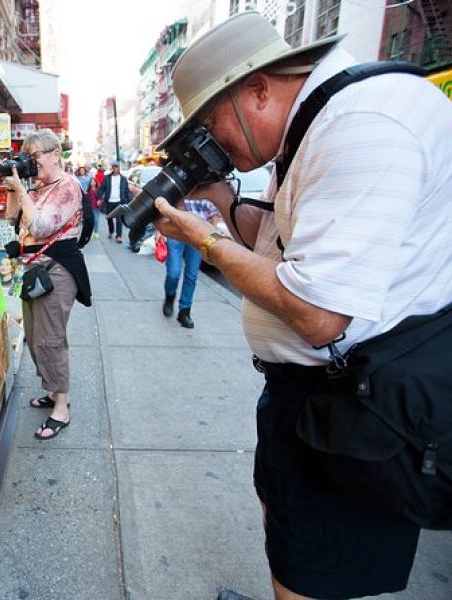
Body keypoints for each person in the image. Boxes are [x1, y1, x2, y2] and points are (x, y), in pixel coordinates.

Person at [152, 12, 452, 600]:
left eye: (211, 125)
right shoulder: (319, 123)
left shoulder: (361, 126)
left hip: (351, 408)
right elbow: (275, 248)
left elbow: (319, 313)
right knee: (292, 544)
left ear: (257, 90)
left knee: (317, 569)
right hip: (311, 399)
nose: (213, 145)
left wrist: (203, 239)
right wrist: (218, 201)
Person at [3, 128, 92, 440]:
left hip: (57, 271)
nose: (31, 162)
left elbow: (40, 227)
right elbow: (9, 216)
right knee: (35, 335)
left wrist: (24, 192)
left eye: (36, 155)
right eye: (28, 156)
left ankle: (62, 407)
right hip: (34, 271)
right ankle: (53, 391)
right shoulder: (39, 187)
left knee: (51, 339)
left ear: (56, 154)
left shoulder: (68, 187)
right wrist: (16, 189)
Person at [160, 199, 220, 328]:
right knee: (173, 272)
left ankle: (184, 311)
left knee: (191, 275)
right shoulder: (182, 184)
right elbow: (165, 207)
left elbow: (214, 212)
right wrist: (159, 231)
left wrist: (213, 234)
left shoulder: (206, 187)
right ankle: (170, 296)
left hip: (198, 236)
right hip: (176, 233)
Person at [98, 162, 130, 243]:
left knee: (119, 219)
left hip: (119, 201)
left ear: (119, 168)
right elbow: (102, 188)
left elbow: (126, 190)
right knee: (109, 218)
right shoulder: (107, 178)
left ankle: (118, 236)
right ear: (112, 168)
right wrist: (99, 197)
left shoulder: (123, 178)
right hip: (109, 201)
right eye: (114, 167)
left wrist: (127, 201)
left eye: (117, 167)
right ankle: (111, 231)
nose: (115, 169)